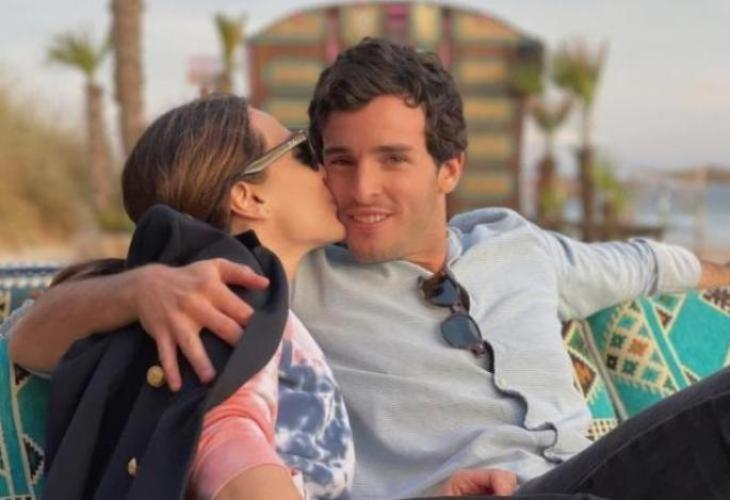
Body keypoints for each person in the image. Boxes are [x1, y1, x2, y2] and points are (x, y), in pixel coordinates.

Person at [6, 38, 730, 499]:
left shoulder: (517, 243)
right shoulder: (281, 290)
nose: (359, 189)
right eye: (332, 159)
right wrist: (143, 287)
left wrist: (713, 269)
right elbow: (32, 335)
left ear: (450, 169)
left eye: (392, 160)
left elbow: (640, 263)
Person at [8, 95, 355, 499]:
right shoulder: (231, 306)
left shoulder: (246, 299)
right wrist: (139, 289)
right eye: (303, 150)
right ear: (249, 197)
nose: (325, 166)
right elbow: (223, 434)